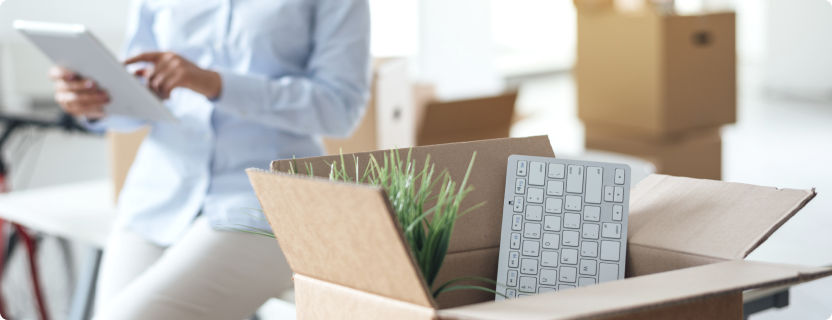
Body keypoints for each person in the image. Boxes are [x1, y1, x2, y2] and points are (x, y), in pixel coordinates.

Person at [50, 0, 371, 319]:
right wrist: (94, 103)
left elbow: (340, 108)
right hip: (157, 196)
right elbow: (140, 93)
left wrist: (214, 83)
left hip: (266, 204)